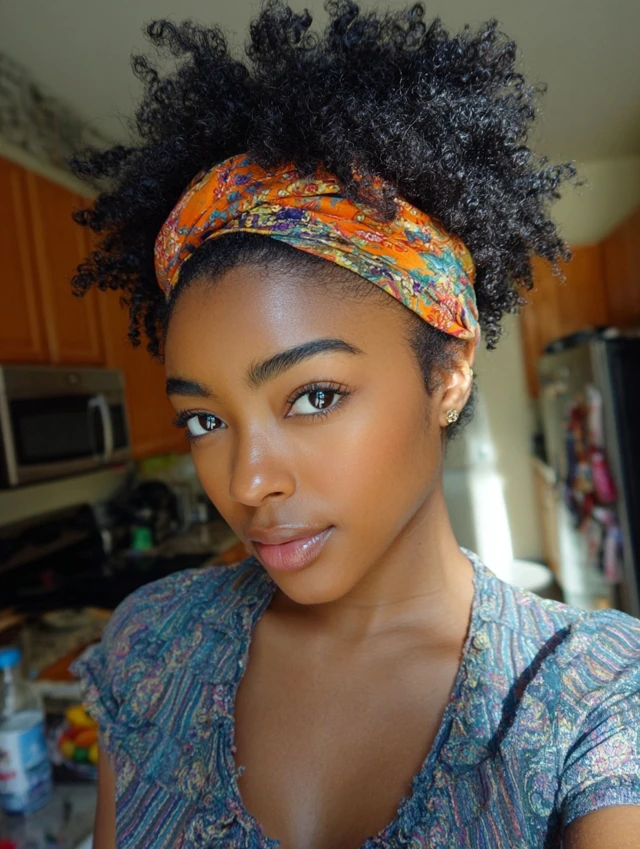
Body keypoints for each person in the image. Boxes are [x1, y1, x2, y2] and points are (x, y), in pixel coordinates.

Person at [68, 2, 640, 847]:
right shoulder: (150, 645)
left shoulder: (589, 697)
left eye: (313, 396)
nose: (247, 481)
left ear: (447, 374)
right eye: (205, 418)